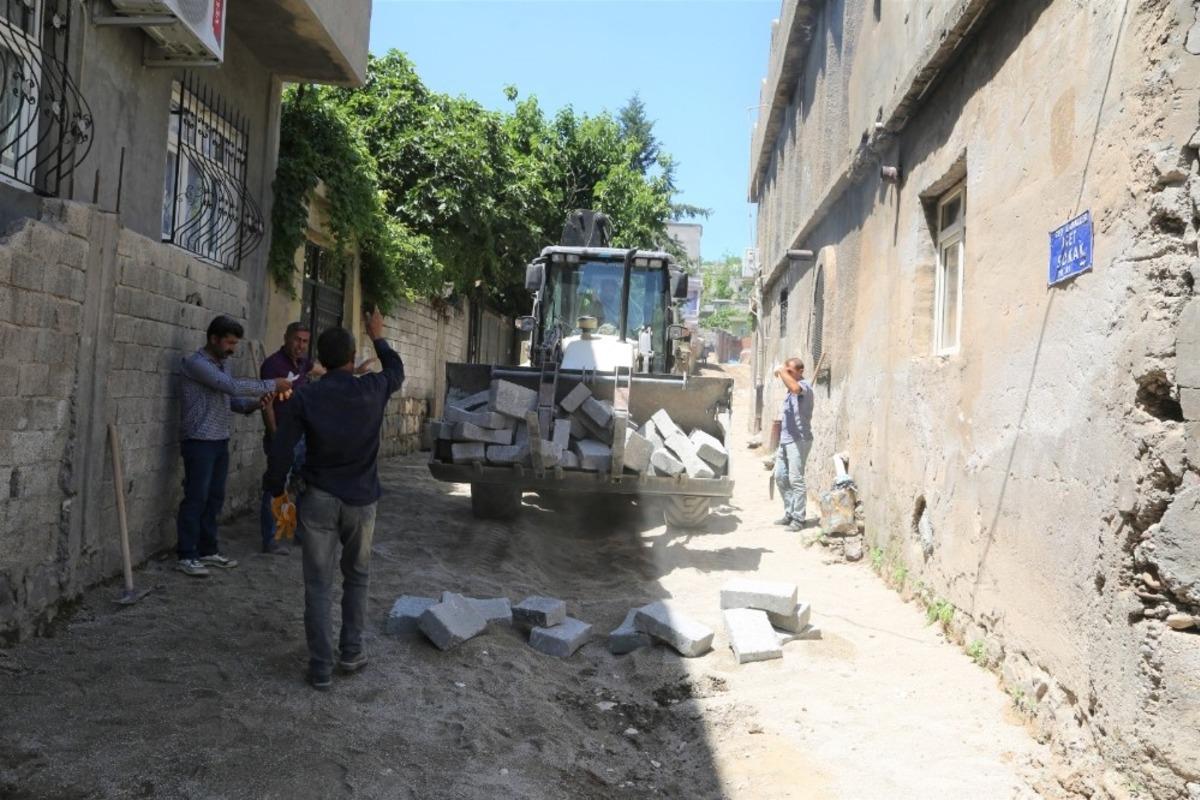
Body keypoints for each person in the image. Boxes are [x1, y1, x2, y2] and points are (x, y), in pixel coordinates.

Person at [264, 309, 404, 690]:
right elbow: (397, 369)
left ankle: (321, 667)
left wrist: (276, 488)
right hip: (361, 501)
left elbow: (281, 448)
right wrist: (378, 335)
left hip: (320, 499)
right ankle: (351, 652)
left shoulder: (307, 396)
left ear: (320, 360)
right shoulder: (373, 388)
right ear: (350, 358)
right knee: (357, 577)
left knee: (318, 584)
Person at [177, 315, 292, 577]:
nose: (232, 349)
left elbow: (230, 400)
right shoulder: (196, 364)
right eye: (229, 343)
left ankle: (207, 550)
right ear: (213, 339)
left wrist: (254, 404)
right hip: (198, 440)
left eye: (235, 344)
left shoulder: (223, 364)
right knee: (196, 498)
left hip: (219, 439)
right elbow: (229, 386)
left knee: (214, 498)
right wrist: (273, 383)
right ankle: (186, 554)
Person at [258, 322, 320, 555]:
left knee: (303, 484)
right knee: (276, 487)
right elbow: (267, 405)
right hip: (282, 436)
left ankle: (300, 534)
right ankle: (270, 539)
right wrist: (276, 438)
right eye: (297, 340)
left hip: (302, 436)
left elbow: (320, 370)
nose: (300, 345)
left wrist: (352, 371)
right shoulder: (273, 365)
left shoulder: (303, 363)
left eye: (305, 341)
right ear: (286, 338)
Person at [773, 357, 814, 531]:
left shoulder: (804, 386)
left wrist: (782, 371)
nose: (786, 374)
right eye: (786, 371)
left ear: (800, 372)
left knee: (795, 479)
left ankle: (799, 519)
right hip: (786, 440)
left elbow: (796, 388)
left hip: (799, 440)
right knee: (781, 477)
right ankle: (789, 512)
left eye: (790, 371)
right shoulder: (790, 391)